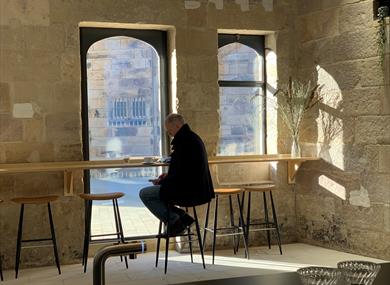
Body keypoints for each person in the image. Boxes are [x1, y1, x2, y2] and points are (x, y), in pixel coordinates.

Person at [139, 113, 214, 236]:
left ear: (178, 125)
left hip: (188, 191)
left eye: (170, 130)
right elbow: (184, 171)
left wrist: (162, 182)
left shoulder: (184, 142)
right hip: (197, 188)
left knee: (145, 194)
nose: (169, 134)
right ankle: (182, 217)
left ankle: (176, 220)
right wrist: (167, 178)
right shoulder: (192, 138)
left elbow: (181, 176)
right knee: (158, 195)